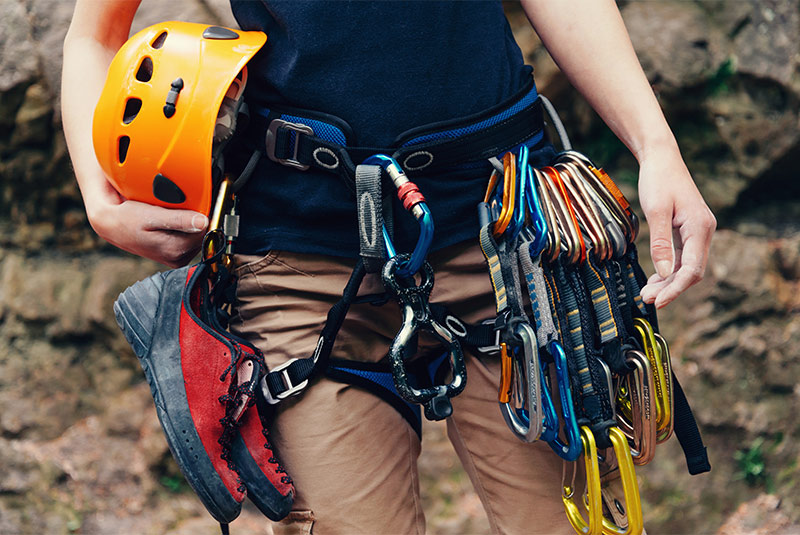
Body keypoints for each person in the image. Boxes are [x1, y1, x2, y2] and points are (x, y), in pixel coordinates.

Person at [62, 1, 717, 533]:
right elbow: (94, 33)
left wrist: (656, 145)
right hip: (299, 262)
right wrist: (100, 195)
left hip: (505, 239)